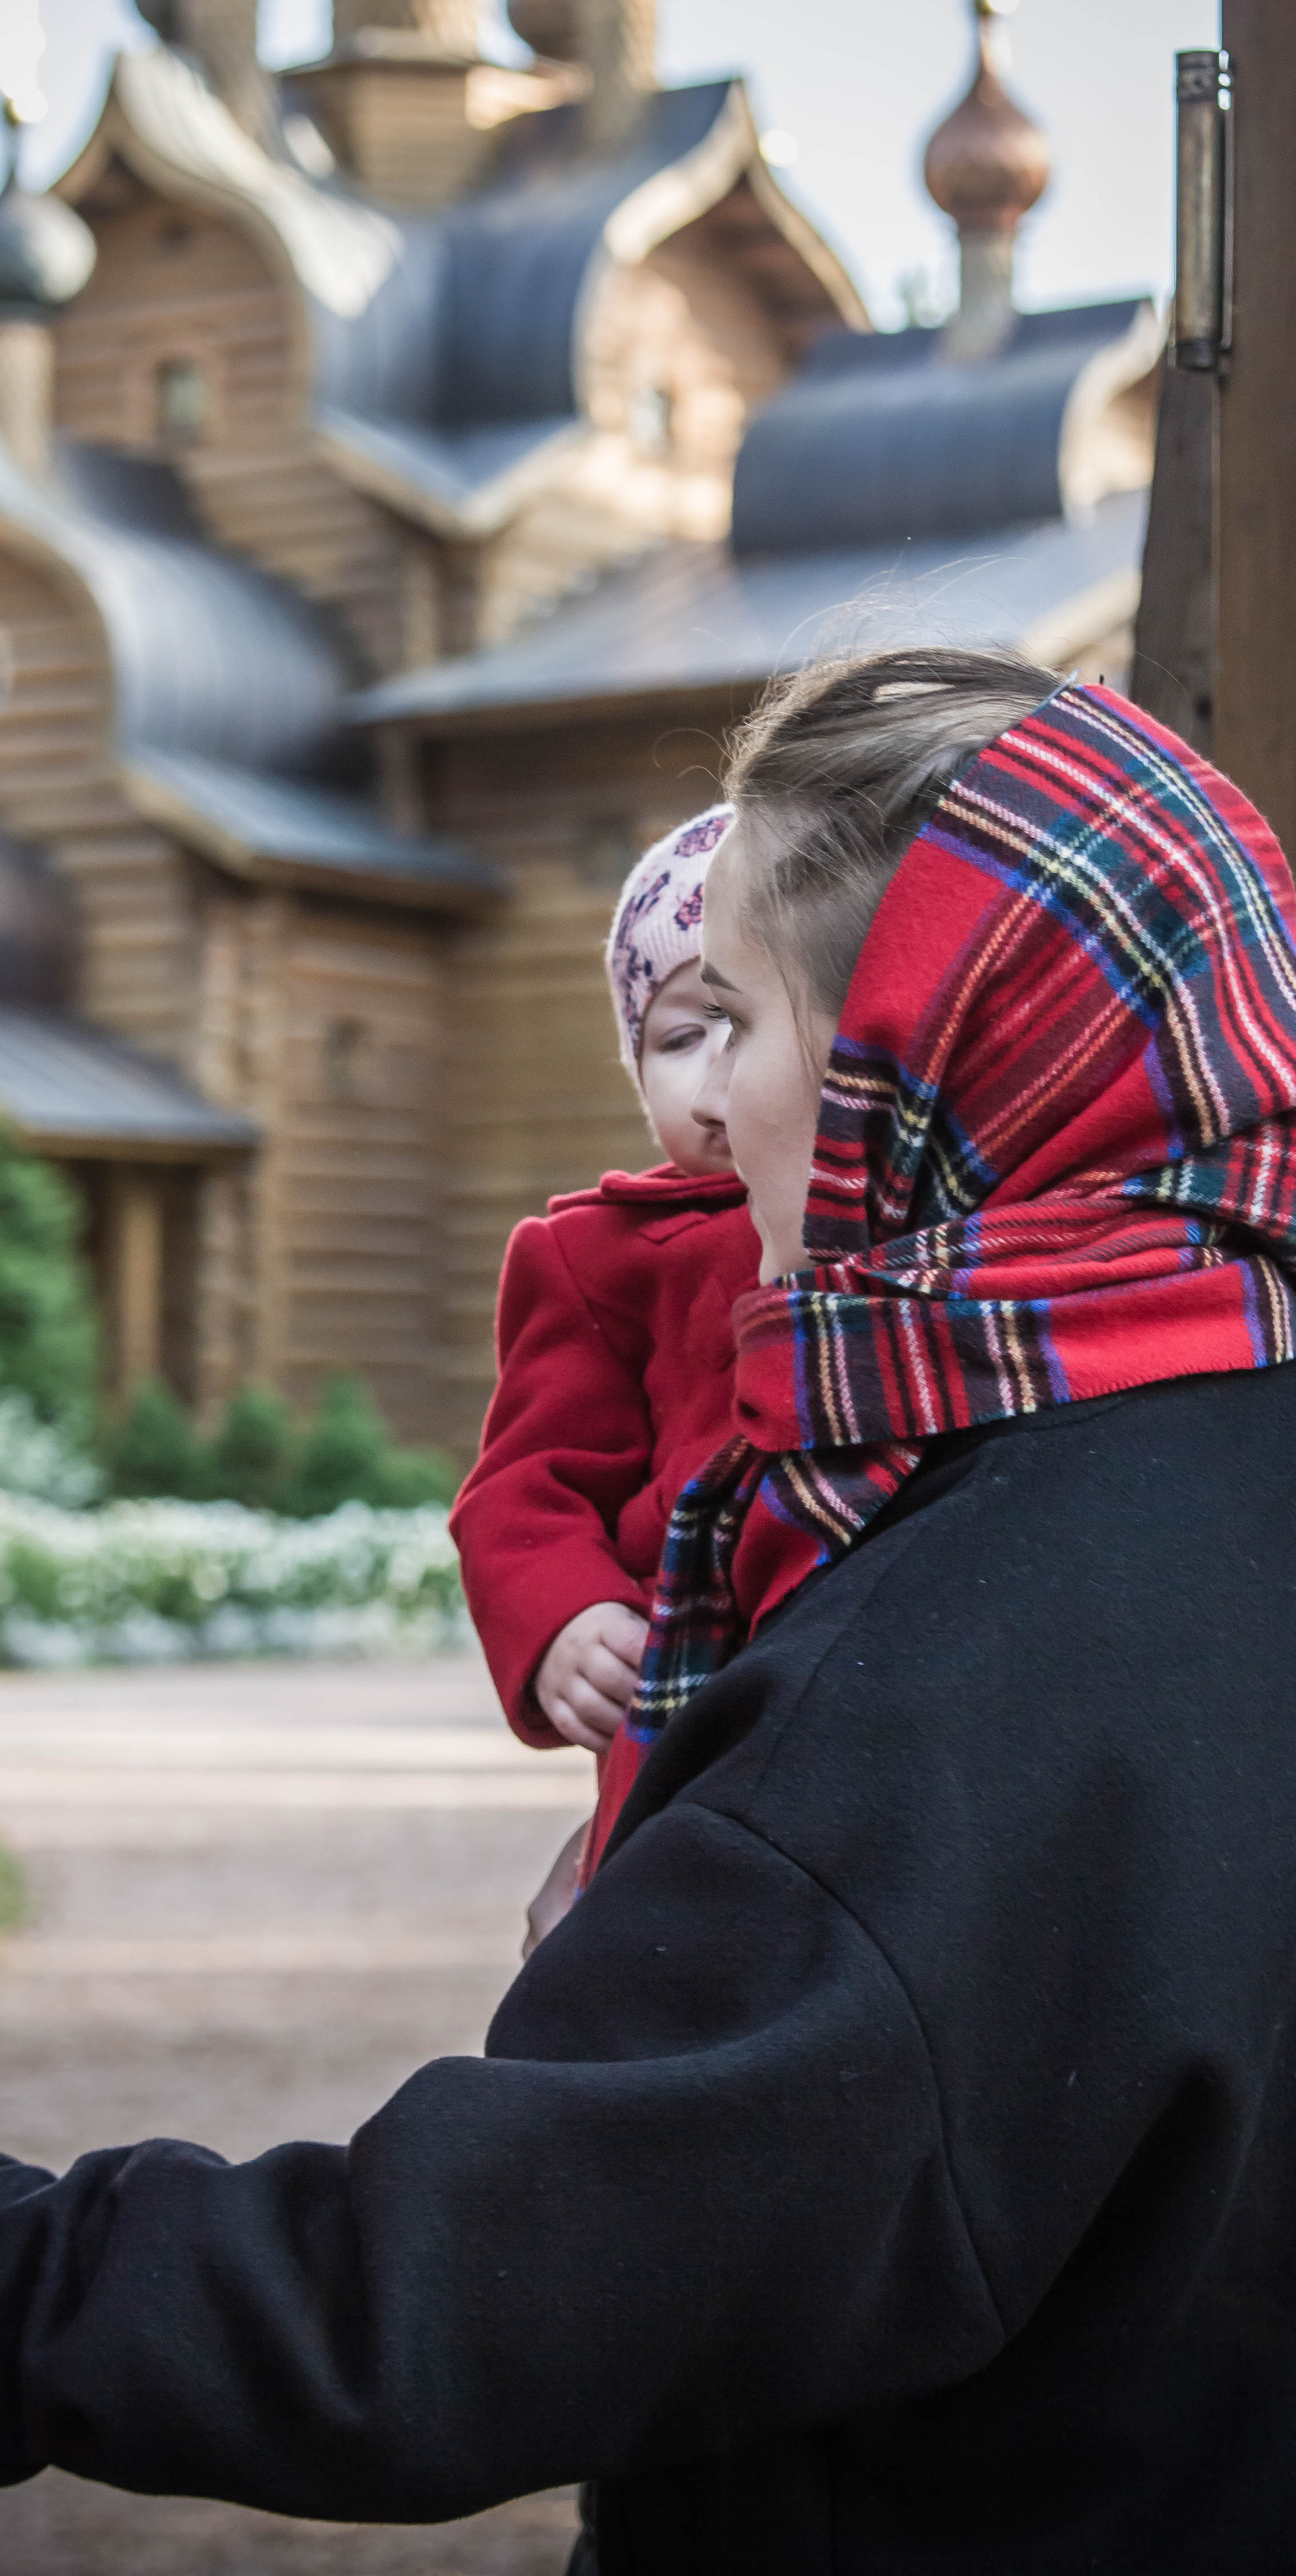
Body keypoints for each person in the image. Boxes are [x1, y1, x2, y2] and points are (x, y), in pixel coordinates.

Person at [0, 653, 1296, 2575]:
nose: (695, 1104)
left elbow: (452, 2305)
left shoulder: (968, 1662)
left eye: (731, 1017)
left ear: (930, 1058)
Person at [450, 807, 759, 1938]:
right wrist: (566, 1617)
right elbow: (525, 1485)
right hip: (682, 1678)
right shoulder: (599, 1257)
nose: (720, 1071)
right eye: (681, 1037)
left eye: (749, 1022)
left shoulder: (901, 1225)